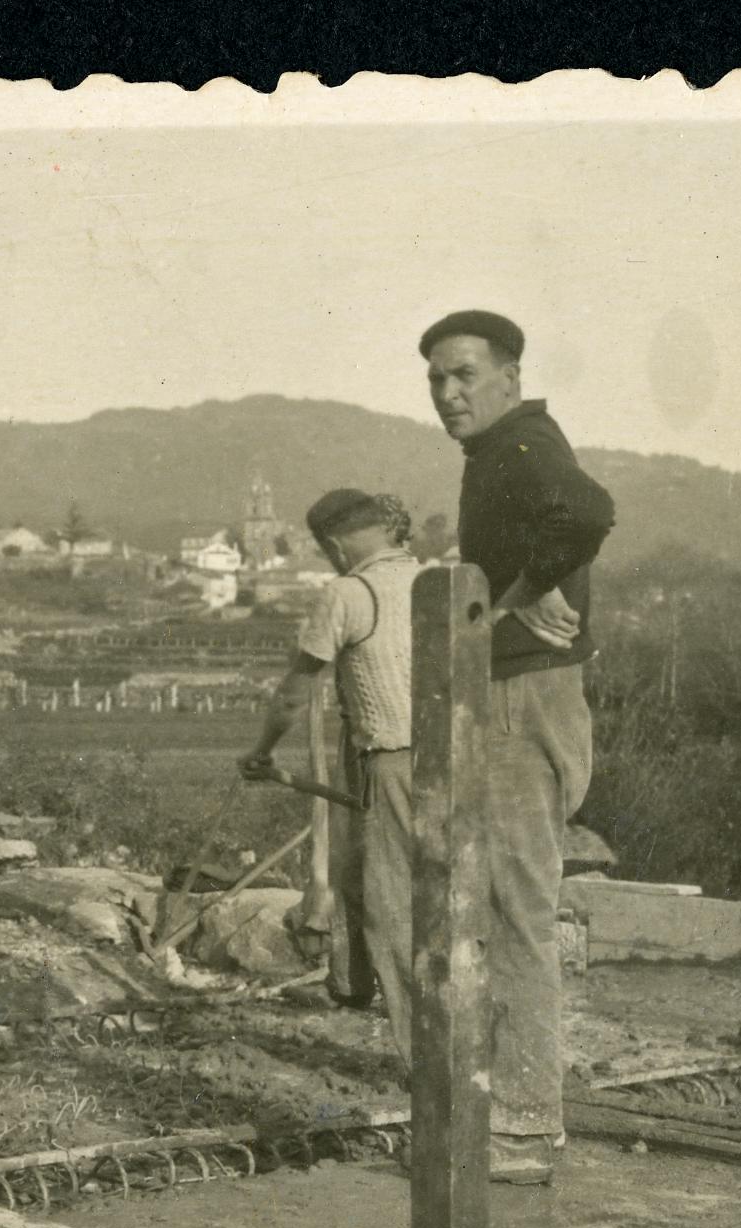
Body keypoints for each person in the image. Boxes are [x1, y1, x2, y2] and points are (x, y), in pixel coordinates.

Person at [422, 308, 617, 1181]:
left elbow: (586, 511)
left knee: (516, 913)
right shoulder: (502, 454)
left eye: (465, 374)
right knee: (509, 907)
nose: (449, 393)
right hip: (527, 693)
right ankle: (520, 1110)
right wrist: (522, 589)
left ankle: (529, 1127)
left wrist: (525, 591)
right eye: (436, 381)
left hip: (521, 699)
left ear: (508, 375)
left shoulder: (522, 444)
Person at [240, 488, 441, 1066]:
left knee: (393, 906)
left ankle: (425, 1061)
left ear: (333, 544)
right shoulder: (434, 580)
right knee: (396, 884)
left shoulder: (347, 592)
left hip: (393, 762)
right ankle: (355, 988)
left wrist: (260, 752)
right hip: (449, 759)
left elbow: (294, 695)